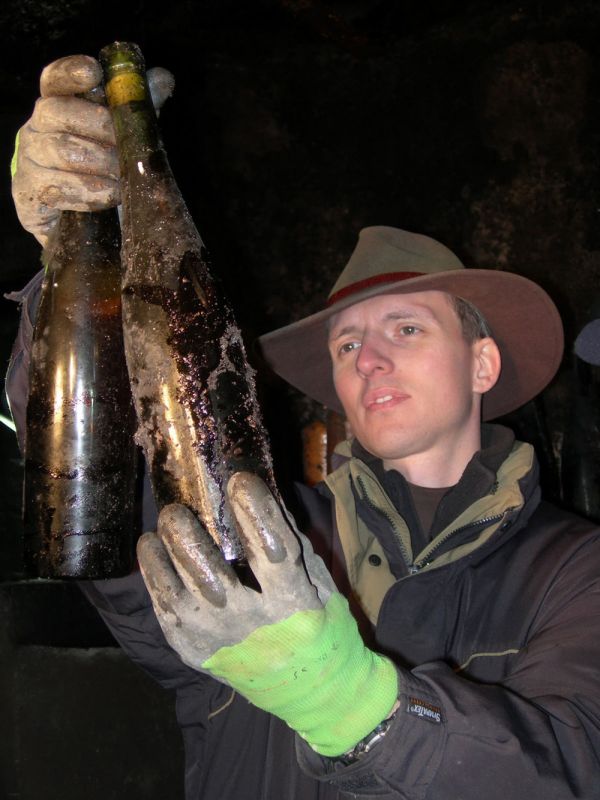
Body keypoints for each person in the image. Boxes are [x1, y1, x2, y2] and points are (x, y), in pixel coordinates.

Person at [7, 54, 600, 800]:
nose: (369, 358)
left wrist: (348, 702)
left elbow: (574, 767)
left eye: (407, 329)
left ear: (481, 363)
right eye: (347, 345)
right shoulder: (262, 532)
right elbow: (106, 488)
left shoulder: (575, 572)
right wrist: (72, 256)